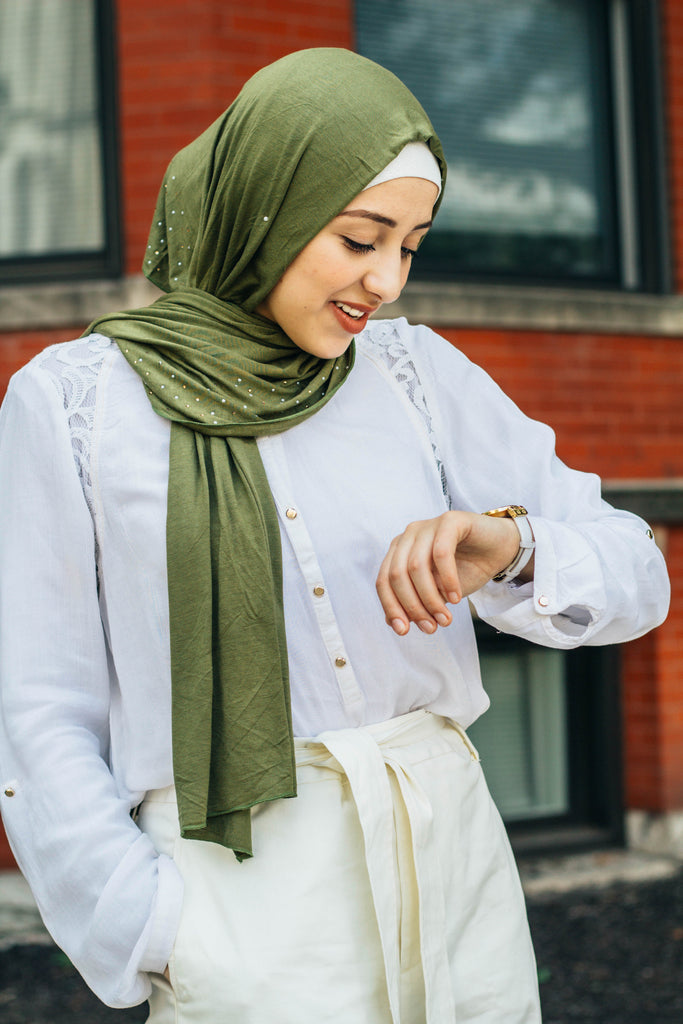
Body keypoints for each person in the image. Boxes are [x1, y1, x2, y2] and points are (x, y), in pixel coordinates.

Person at [0, 47, 669, 1024]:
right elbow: (40, 702)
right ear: (265, 205)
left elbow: (635, 570)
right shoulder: (75, 404)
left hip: (448, 864)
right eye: (358, 238)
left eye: (409, 245)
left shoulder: (411, 374)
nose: (385, 281)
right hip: (235, 889)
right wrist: (148, 926)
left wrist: (510, 545)